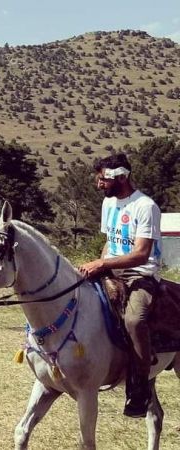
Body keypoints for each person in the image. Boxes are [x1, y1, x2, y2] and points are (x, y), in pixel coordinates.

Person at [78, 153, 162, 418]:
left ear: (122, 177)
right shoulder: (108, 203)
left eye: (103, 180)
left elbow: (141, 254)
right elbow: (109, 243)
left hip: (140, 274)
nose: (99, 184)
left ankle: (139, 388)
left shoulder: (145, 206)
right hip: (111, 269)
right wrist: (100, 263)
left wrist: (102, 265)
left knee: (135, 320)